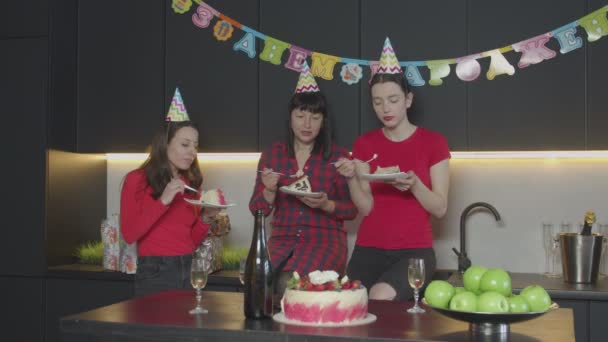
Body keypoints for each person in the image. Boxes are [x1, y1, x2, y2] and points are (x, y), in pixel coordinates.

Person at [336, 38, 450, 301]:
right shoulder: (364, 144)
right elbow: (366, 207)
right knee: (349, 302)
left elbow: (440, 208)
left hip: (414, 251)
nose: (385, 108)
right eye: (377, 102)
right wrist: (352, 176)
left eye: (393, 99)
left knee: (380, 296)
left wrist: (414, 184)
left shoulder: (435, 142)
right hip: (368, 248)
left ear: (408, 100)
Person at [249, 62, 357, 282]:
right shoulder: (273, 154)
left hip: (324, 241)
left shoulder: (338, 156)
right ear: (290, 119)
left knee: (290, 282)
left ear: (323, 122)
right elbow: (256, 209)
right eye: (300, 116)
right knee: (257, 280)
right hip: (281, 239)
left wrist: (327, 205)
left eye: (315, 118)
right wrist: (269, 190)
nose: (307, 124)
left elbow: (352, 210)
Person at [120, 88, 219, 297]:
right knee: (157, 329)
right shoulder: (136, 180)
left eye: (195, 146)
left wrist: (207, 217)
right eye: (185, 144)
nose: (192, 152)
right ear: (165, 144)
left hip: (188, 267)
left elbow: (190, 241)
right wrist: (163, 201)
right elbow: (129, 235)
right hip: (155, 271)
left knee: (187, 329)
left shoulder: (191, 185)